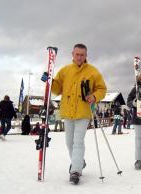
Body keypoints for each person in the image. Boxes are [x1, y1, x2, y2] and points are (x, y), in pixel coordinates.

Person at [42, 43, 107, 184]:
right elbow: (57, 89)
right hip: (68, 111)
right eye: (77, 54)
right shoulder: (65, 70)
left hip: (83, 112)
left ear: (86, 56)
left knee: (78, 141)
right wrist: (49, 81)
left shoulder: (93, 71)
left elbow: (102, 89)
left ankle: (75, 171)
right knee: (68, 142)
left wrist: (95, 96)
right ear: (72, 54)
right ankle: (80, 161)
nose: (79, 57)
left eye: (82, 55)